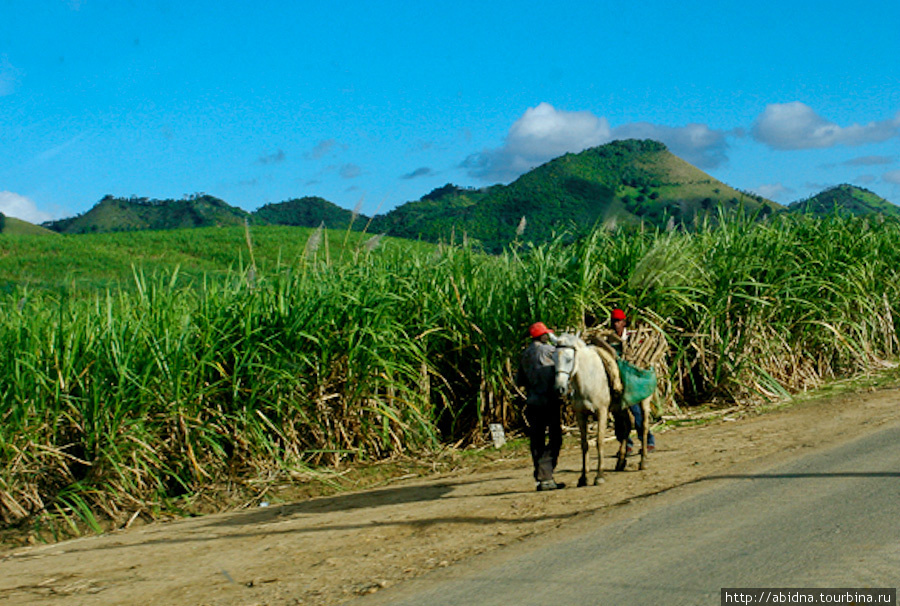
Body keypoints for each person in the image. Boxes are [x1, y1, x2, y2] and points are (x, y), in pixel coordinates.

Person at [517, 321, 566, 491]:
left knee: (537, 440)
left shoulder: (525, 354)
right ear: (542, 336)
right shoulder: (547, 351)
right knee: (555, 438)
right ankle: (545, 476)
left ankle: (541, 478)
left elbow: (520, 381)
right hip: (549, 401)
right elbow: (564, 361)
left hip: (532, 402)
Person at [608, 309, 656, 454]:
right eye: (614, 322)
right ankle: (626, 444)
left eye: (619, 321)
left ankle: (648, 441)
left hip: (632, 382)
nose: (616, 324)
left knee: (637, 413)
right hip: (616, 382)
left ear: (624, 322)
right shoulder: (608, 340)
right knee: (618, 415)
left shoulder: (633, 337)